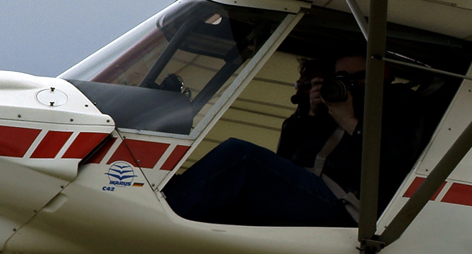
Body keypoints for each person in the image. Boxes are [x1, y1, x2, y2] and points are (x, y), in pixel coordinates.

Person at [163, 51, 423, 228]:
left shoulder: (398, 103)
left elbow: (392, 155)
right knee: (223, 206)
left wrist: (348, 119)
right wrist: (309, 114)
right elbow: (284, 160)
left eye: (352, 80)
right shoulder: (325, 113)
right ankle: (170, 209)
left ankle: (164, 212)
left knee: (239, 155)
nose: (344, 86)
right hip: (310, 196)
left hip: (346, 207)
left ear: (380, 77)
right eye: (338, 79)